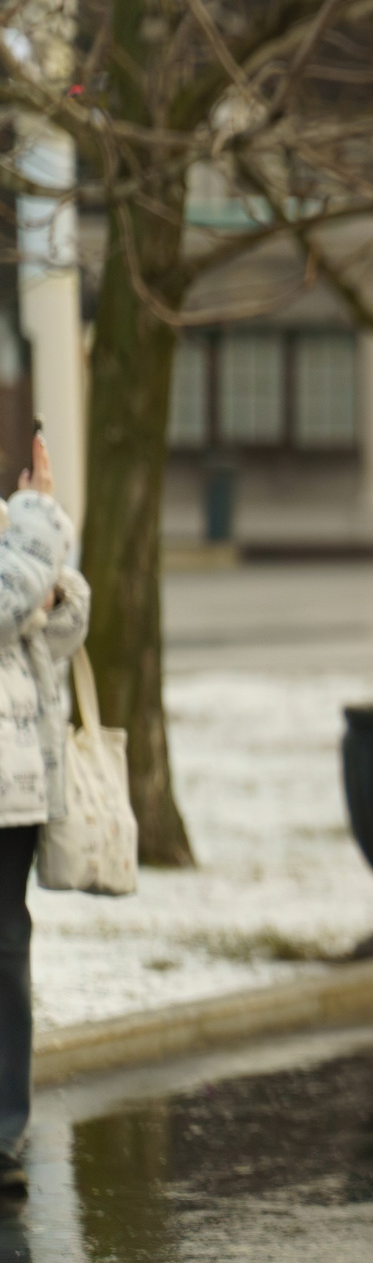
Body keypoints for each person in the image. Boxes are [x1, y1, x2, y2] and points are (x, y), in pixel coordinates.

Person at [0, 435, 84, 1205]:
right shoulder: (20, 530)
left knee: (6, 952)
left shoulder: (13, 528)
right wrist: (41, 526)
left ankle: (4, 1136)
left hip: (14, 783)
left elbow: (57, 632)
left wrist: (39, 532)